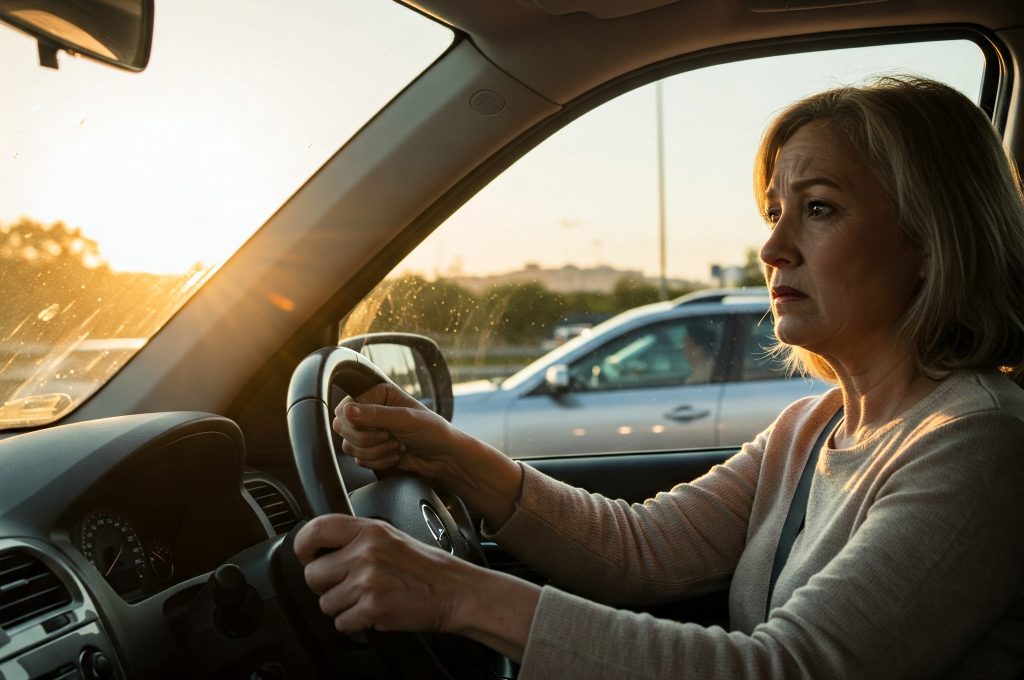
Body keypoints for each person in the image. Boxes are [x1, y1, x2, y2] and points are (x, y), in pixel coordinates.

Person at [293, 76, 1024, 678]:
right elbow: (639, 551)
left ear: (932, 239)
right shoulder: (813, 426)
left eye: (819, 209)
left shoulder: (981, 444)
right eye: (774, 211)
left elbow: (789, 669)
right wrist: (450, 453)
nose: (772, 247)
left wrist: (458, 597)